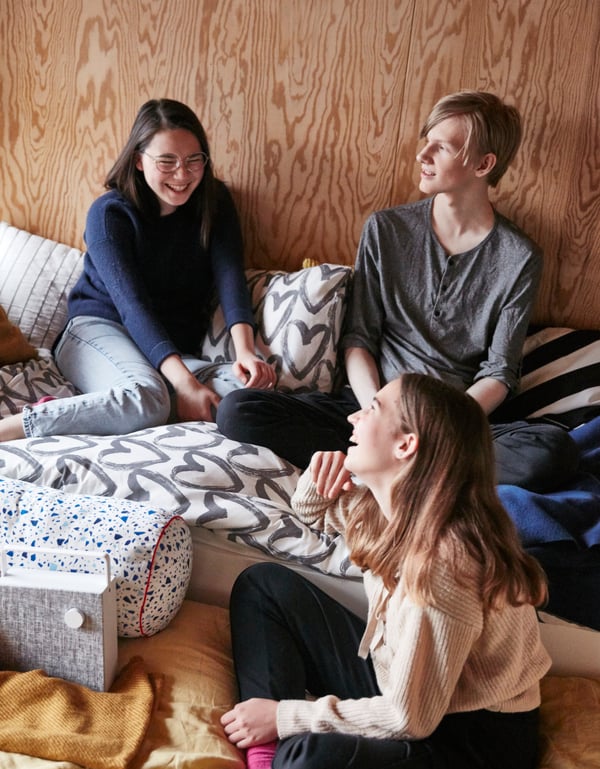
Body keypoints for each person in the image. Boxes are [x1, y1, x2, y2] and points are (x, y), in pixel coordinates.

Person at [216, 91, 578, 492]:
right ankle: (409, 471)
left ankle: (387, 470)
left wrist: (436, 424)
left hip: (449, 425)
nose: (423, 155)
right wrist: (378, 412)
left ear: (483, 164)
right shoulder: (386, 230)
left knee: (551, 453)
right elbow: (359, 339)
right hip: (369, 407)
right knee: (238, 410)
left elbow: (500, 371)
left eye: (441, 147)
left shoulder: (519, 256)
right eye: (427, 140)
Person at [221, 373, 551, 769]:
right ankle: (264, 757)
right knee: (263, 587)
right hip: (402, 682)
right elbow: (318, 513)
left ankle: (277, 754)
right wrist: (319, 477)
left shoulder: (445, 566)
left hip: (471, 738)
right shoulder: (389, 507)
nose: (354, 417)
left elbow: (410, 719)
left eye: (372, 408)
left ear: (406, 445)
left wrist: (286, 716)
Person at [0, 98, 275, 442]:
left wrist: (246, 350)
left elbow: (230, 275)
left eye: (194, 160)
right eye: (167, 161)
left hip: (165, 351)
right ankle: (19, 426)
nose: (182, 174)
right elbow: (133, 308)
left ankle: (97, 409)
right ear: (139, 161)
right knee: (147, 399)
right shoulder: (109, 214)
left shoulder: (213, 202)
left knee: (244, 395)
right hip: (97, 330)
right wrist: (185, 384)